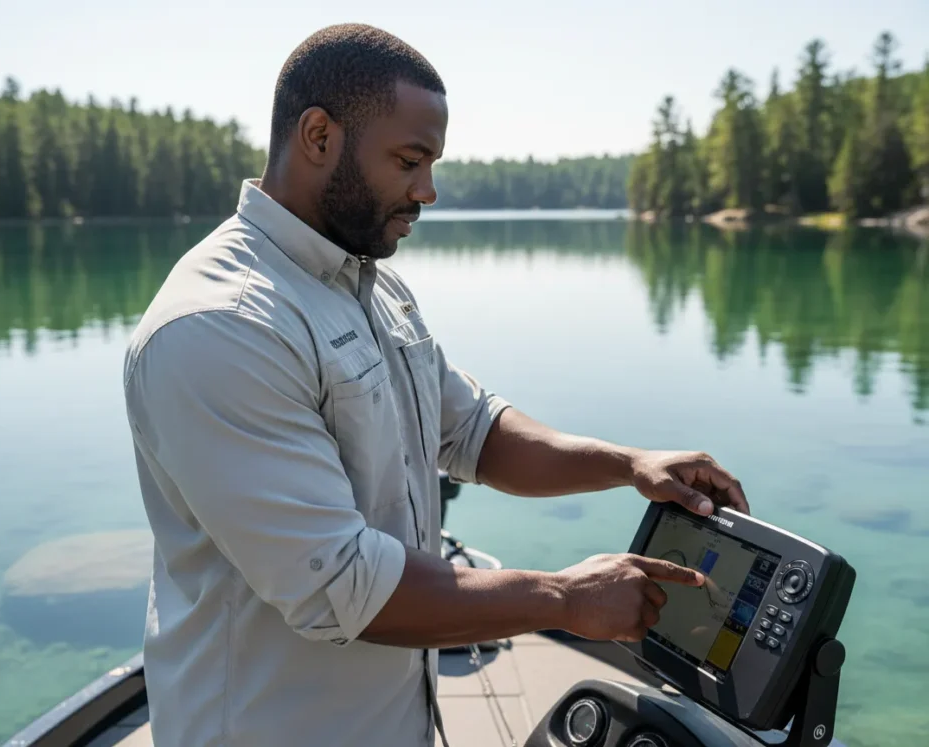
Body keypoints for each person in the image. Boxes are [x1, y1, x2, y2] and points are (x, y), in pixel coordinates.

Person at [122, 22, 749, 747]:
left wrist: (628, 464)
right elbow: (342, 586)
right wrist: (563, 597)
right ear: (319, 137)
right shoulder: (220, 327)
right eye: (410, 160)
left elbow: (473, 431)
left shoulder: (370, 283)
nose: (428, 190)